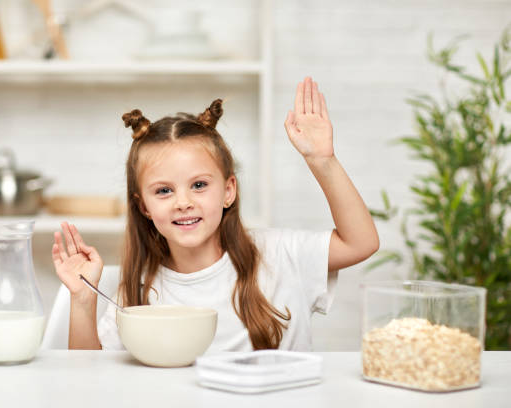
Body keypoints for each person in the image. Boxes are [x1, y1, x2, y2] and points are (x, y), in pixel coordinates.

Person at [51, 77, 379, 351]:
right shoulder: (137, 289)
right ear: (144, 207)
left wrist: (322, 160)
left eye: (198, 185)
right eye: (164, 191)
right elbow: (91, 381)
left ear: (228, 191)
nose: (183, 202)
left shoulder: (280, 256)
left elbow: (360, 243)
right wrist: (82, 299)